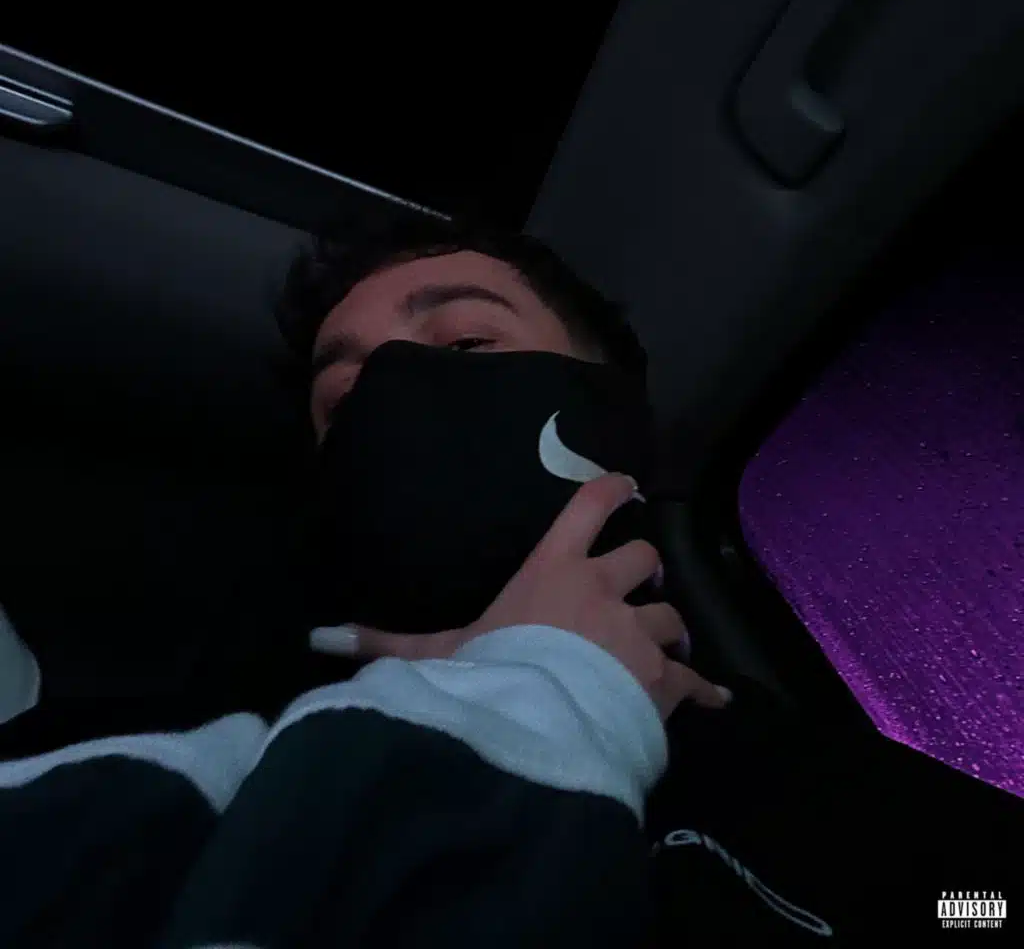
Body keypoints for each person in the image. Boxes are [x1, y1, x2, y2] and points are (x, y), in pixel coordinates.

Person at [0, 214, 1018, 947]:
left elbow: (978, 902)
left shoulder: (805, 773)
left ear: (610, 412)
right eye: (342, 396)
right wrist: (530, 681)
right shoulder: (193, 745)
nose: (392, 392)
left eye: (468, 344)